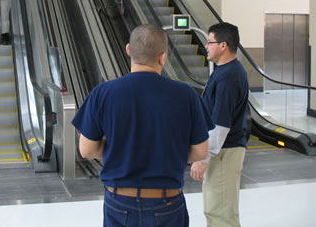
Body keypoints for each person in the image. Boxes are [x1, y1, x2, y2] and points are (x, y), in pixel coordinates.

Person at [72, 24, 213, 226]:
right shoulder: (187, 95)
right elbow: (200, 152)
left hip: (119, 202)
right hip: (167, 202)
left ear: (129, 50)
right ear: (163, 56)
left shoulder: (102, 94)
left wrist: (122, 153)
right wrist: (167, 155)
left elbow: (86, 150)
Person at [190, 22, 249, 227]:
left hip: (225, 152)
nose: (206, 46)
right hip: (222, 152)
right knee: (215, 208)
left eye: (210, 42)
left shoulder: (228, 78)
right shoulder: (224, 71)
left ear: (223, 45)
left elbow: (221, 124)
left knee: (221, 213)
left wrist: (203, 157)